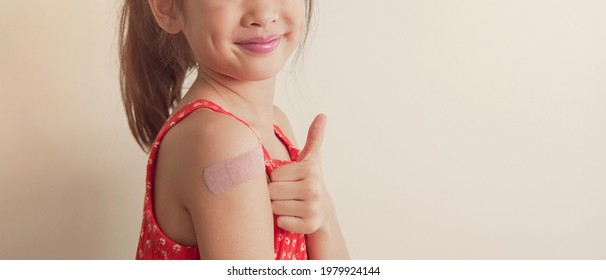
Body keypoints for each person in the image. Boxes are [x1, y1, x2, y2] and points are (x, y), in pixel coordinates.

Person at [118, 0, 349, 260]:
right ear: (167, 7)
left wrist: (323, 217)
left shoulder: (275, 122)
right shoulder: (220, 142)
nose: (263, 14)